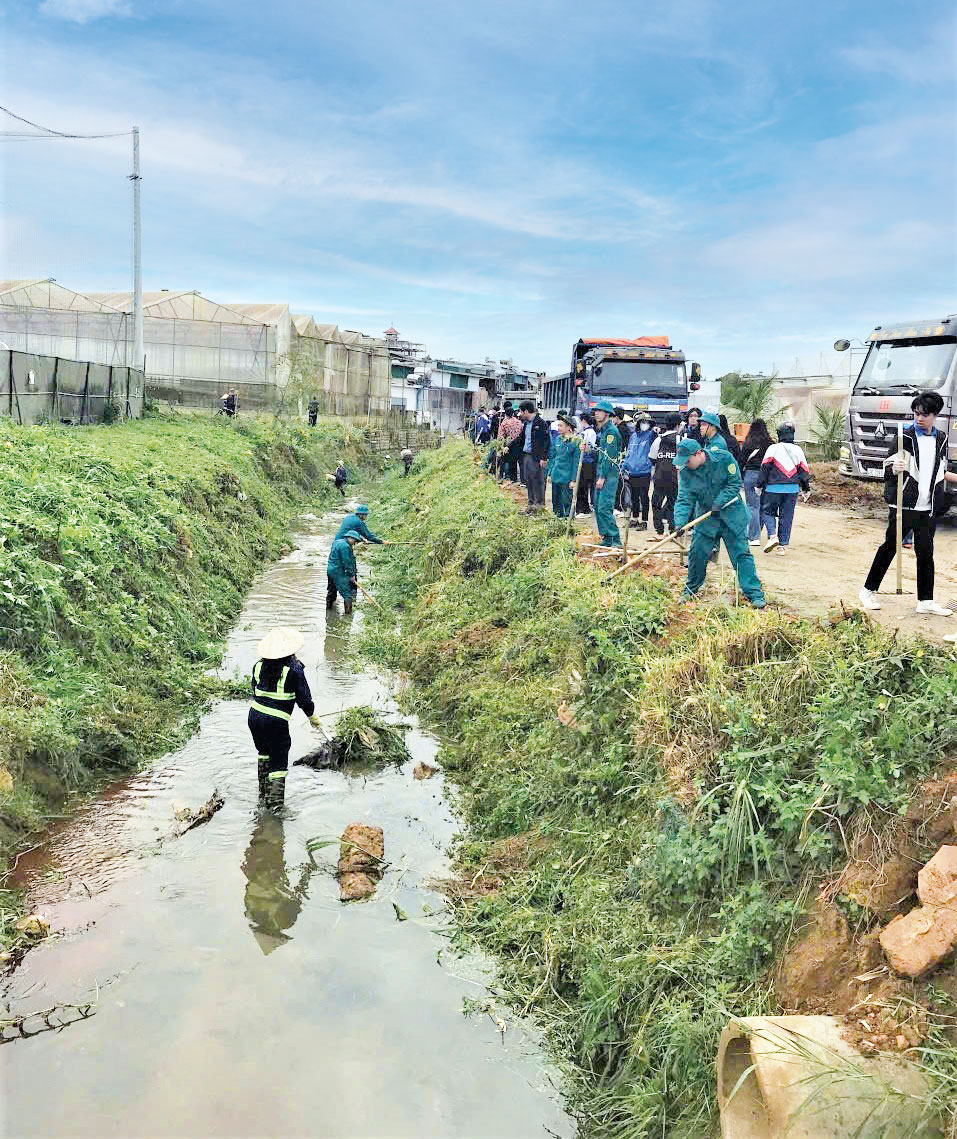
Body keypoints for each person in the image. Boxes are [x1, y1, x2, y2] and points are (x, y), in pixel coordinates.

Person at [859, 391, 957, 616]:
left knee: (926, 554)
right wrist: (895, 468)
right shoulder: (904, 437)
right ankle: (867, 591)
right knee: (889, 548)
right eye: (916, 414)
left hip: (927, 507)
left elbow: (940, 471)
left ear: (934, 415)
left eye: (924, 414)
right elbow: (886, 467)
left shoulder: (941, 439)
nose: (919, 418)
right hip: (903, 505)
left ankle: (925, 601)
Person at [673, 438, 766, 608]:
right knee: (697, 553)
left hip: (732, 515)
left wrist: (719, 501)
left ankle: (754, 593)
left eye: (688, 460)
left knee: (741, 555)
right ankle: (691, 589)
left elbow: (734, 483)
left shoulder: (724, 458)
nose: (686, 464)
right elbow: (684, 498)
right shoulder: (687, 472)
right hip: (707, 518)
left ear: (699, 453)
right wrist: (679, 522)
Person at [248, 626, 321, 804]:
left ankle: (262, 796)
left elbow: (255, 689)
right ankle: (275, 811)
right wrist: (312, 717)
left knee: (264, 752)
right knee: (279, 761)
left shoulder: (258, 666)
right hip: (275, 722)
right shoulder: (294, 669)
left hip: (254, 717)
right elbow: (304, 698)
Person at [756, 422, 811, 555]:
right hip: (792, 489)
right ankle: (782, 546)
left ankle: (773, 536)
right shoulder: (798, 450)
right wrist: (806, 488)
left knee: (767, 512)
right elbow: (804, 471)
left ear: (779, 434)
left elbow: (765, 468)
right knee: (787, 517)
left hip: (773, 488)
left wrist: (759, 485)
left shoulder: (773, 448)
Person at [739, 418, 775, 545]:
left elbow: (741, 460)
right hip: (766, 476)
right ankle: (757, 531)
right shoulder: (770, 444)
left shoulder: (748, 442)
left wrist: (741, 476)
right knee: (763, 506)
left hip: (751, 475)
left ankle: (753, 537)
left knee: (752, 505)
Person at [592, 399, 623, 546]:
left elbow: (608, 457)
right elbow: (600, 452)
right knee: (598, 506)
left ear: (607, 414)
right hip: (601, 472)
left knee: (604, 507)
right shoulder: (603, 430)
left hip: (609, 474)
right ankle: (606, 537)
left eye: (600, 411)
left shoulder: (611, 431)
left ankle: (615, 539)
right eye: (596, 411)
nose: (596, 414)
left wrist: (602, 477)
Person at [648, 414, 681, 537]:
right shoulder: (681, 439)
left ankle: (659, 529)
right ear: (678, 425)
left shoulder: (659, 439)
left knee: (656, 503)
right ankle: (673, 528)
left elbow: (652, 458)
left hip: (660, 477)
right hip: (675, 478)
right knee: (673, 503)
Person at [622, 415, 655, 529]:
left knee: (644, 496)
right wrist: (623, 466)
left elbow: (655, 436)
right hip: (632, 471)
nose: (645, 424)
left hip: (644, 471)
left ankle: (644, 521)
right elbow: (629, 453)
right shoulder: (633, 437)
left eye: (647, 422)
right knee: (634, 497)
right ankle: (635, 518)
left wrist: (655, 431)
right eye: (643, 422)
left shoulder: (650, 435)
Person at [518, 399, 550, 512]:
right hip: (526, 455)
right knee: (529, 480)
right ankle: (531, 504)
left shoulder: (541, 423)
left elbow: (546, 442)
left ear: (526, 411)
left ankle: (539, 505)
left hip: (536, 457)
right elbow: (521, 439)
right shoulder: (526, 424)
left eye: (521, 412)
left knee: (538, 480)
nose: (520, 414)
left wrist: (544, 457)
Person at [547, 412, 580, 518]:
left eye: (561, 426)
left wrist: (573, 480)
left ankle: (568, 524)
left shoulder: (575, 442)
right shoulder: (557, 439)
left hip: (567, 478)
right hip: (556, 475)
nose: (558, 428)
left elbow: (576, 462)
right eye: (558, 425)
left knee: (567, 503)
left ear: (569, 428)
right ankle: (557, 522)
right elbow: (553, 457)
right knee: (556, 502)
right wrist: (550, 473)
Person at [326, 529, 365, 613]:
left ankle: (328, 612)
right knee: (347, 595)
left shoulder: (337, 542)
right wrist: (352, 575)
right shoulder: (345, 547)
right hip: (338, 572)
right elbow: (347, 562)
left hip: (330, 570)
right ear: (350, 538)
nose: (354, 543)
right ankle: (348, 617)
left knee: (331, 591)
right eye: (354, 541)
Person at [576, 413, 597, 515]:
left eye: (580, 421)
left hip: (587, 463)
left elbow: (590, 448)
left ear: (584, 421)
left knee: (583, 486)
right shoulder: (583, 432)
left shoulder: (591, 432)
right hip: (582, 461)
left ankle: (584, 509)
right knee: (580, 486)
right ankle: (582, 507)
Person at [498, 403, 523, 483]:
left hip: (507, 444)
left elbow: (501, 436)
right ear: (513, 413)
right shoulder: (519, 422)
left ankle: (507, 477)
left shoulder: (504, 423)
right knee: (515, 461)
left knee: (506, 461)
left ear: (506, 414)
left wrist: (500, 446)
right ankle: (515, 478)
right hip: (518, 444)